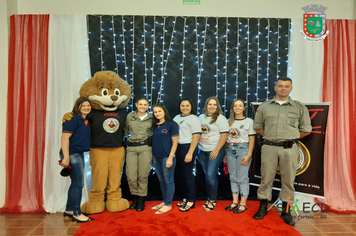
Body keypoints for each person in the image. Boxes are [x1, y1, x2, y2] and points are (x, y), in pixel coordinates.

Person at [253, 77, 312, 226]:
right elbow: (258, 126)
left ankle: (286, 211)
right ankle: (263, 207)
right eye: (280, 86)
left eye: (286, 86)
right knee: (266, 178)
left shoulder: (299, 107)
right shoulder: (265, 106)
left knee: (288, 180)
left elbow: (306, 129)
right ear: (275, 87)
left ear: (291, 89)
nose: (283, 89)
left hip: (289, 149)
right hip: (269, 147)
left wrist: (289, 138)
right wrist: (271, 137)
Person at [60, 97, 94, 223]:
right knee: (79, 184)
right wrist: (66, 157)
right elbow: (64, 138)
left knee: (75, 183)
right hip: (72, 154)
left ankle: (69, 210)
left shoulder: (85, 120)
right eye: (83, 105)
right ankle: (77, 213)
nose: (86, 107)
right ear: (77, 106)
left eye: (88, 105)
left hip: (78, 153)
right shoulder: (72, 118)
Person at [224, 99, 256, 214]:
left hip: (243, 150)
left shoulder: (249, 121)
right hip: (230, 150)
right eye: (235, 106)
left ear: (244, 108)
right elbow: (226, 140)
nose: (237, 107)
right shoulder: (228, 122)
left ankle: (243, 204)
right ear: (232, 108)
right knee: (233, 176)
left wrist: (249, 154)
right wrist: (226, 154)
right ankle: (235, 202)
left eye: (240, 106)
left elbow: (252, 138)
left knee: (242, 178)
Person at [198, 97, 229, 211]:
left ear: (217, 106)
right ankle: (209, 196)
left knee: (211, 175)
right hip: (202, 151)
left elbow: (224, 135)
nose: (212, 106)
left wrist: (216, 150)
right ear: (206, 105)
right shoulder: (201, 118)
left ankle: (212, 199)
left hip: (215, 150)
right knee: (207, 175)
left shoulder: (221, 119)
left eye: (214, 105)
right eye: (209, 104)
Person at [124, 97, 153, 212]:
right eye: (140, 104)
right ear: (136, 104)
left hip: (145, 148)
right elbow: (125, 130)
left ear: (148, 105)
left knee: (143, 176)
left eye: (145, 104)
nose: (143, 106)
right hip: (131, 148)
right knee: (131, 176)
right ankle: (134, 198)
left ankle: (141, 200)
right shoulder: (130, 116)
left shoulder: (152, 117)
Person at [173, 98, 201, 212]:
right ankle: (184, 197)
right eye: (182, 105)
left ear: (191, 107)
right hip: (178, 148)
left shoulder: (194, 118)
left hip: (188, 147)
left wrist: (190, 153)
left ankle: (191, 200)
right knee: (179, 175)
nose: (185, 108)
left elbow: (196, 136)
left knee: (187, 174)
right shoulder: (176, 118)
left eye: (187, 106)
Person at [151, 104, 179, 214]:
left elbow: (175, 142)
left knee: (169, 181)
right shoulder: (154, 125)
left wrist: (170, 157)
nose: (157, 113)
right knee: (162, 181)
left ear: (164, 111)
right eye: (155, 112)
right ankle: (164, 201)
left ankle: (168, 204)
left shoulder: (172, 124)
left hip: (166, 157)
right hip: (156, 157)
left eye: (159, 111)